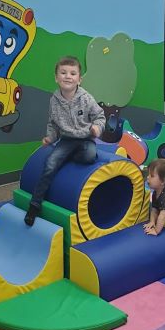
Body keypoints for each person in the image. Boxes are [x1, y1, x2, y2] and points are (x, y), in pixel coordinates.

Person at [24, 56, 106, 226]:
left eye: (72, 73)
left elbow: (100, 116)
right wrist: (50, 137)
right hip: (67, 140)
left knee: (90, 156)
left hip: (85, 138)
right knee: (50, 164)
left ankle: (72, 156)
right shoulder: (54, 100)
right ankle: (35, 204)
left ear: (79, 79)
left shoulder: (86, 98)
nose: (68, 76)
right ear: (56, 77)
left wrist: (97, 128)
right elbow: (53, 124)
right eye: (63, 73)